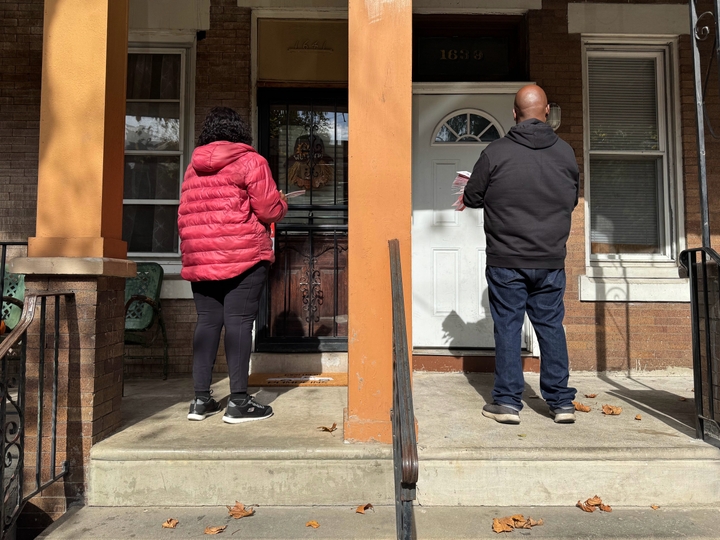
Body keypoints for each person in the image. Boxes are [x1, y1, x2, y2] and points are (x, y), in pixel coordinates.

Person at [463, 85, 579, 425]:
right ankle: (561, 403)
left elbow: (472, 197)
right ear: (546, 113)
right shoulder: (566, 154)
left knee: (509, 328)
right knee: (551, 328)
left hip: (507, 261)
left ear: (514, 114)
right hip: (549, 260)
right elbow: (571, 199)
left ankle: (508, 403)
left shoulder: (495, 153)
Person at [178, 106, 288, 424]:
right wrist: (281, 202)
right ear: (240, 131)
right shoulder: (251, 161)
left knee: (208, 323)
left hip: (200, 256)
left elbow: (185, 210)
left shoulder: (193, 168)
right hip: (243, 256)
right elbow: (268, 210)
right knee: (239, 323)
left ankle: (200, 400)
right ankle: (239, 402)